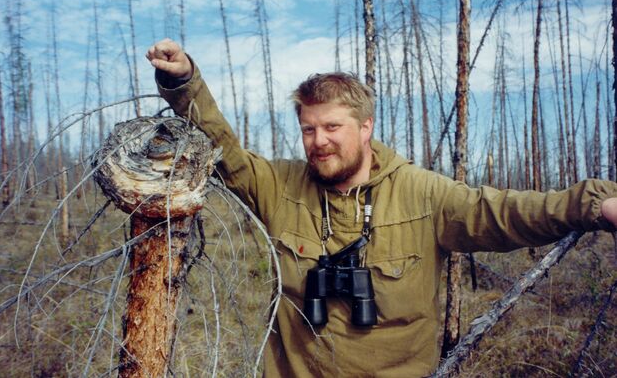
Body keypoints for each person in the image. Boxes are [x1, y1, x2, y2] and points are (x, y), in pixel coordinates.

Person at [146, 38, 617, 377]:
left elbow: (506, 212)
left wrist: (598, 204)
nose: (319, 141)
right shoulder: (280, 185)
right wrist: (185, 83)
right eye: (309, 129)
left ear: (365, 127)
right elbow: (221, 149)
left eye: (332, 127)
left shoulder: (422, 193)